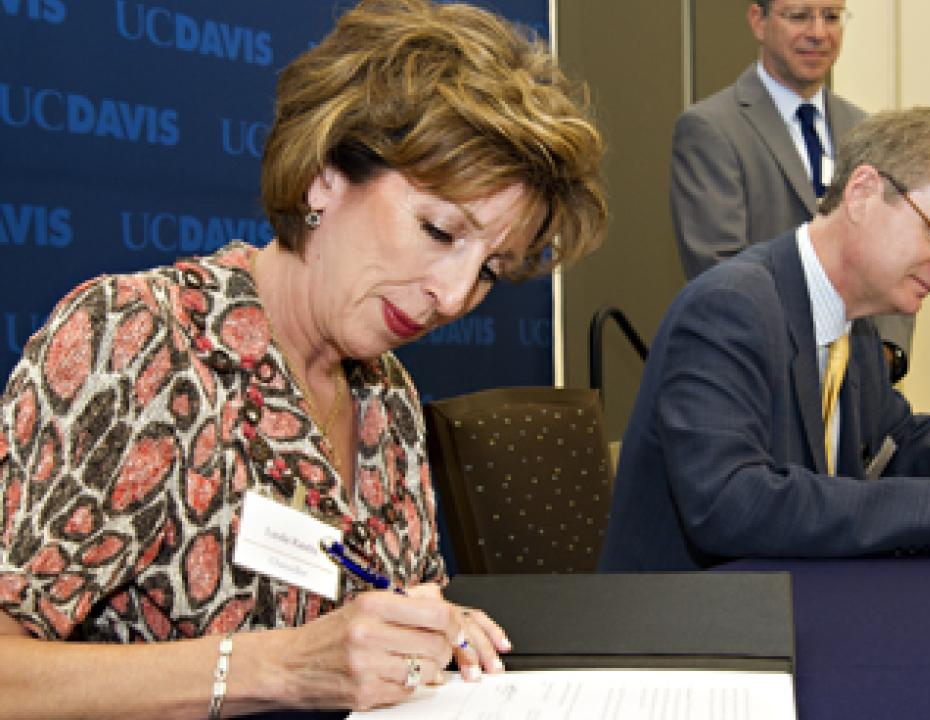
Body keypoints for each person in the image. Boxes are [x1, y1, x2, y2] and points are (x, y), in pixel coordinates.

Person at [0, 0, 606, 716]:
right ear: (326, 175)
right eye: (440, 231)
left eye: (490, 271)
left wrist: (433, 630)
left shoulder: (388, 398)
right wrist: (281, 668)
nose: (451, 294)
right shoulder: (139, 341)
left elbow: (385, 620)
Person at [600, 107, 930, 572]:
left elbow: (897, 440)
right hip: (683, 630)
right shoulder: (729, 307)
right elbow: (730, 504)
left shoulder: (855, 321)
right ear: (863, 193)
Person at [669, 0, 914, 380]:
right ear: (758, 21)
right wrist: (803, 363)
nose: (818, 32)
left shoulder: (866, 129)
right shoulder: (711, 129)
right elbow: (719, 270)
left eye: (831, 16)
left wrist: (887, 354)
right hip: (761, 383)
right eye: (799, 16)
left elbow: (896, 250)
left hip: (861, 392)